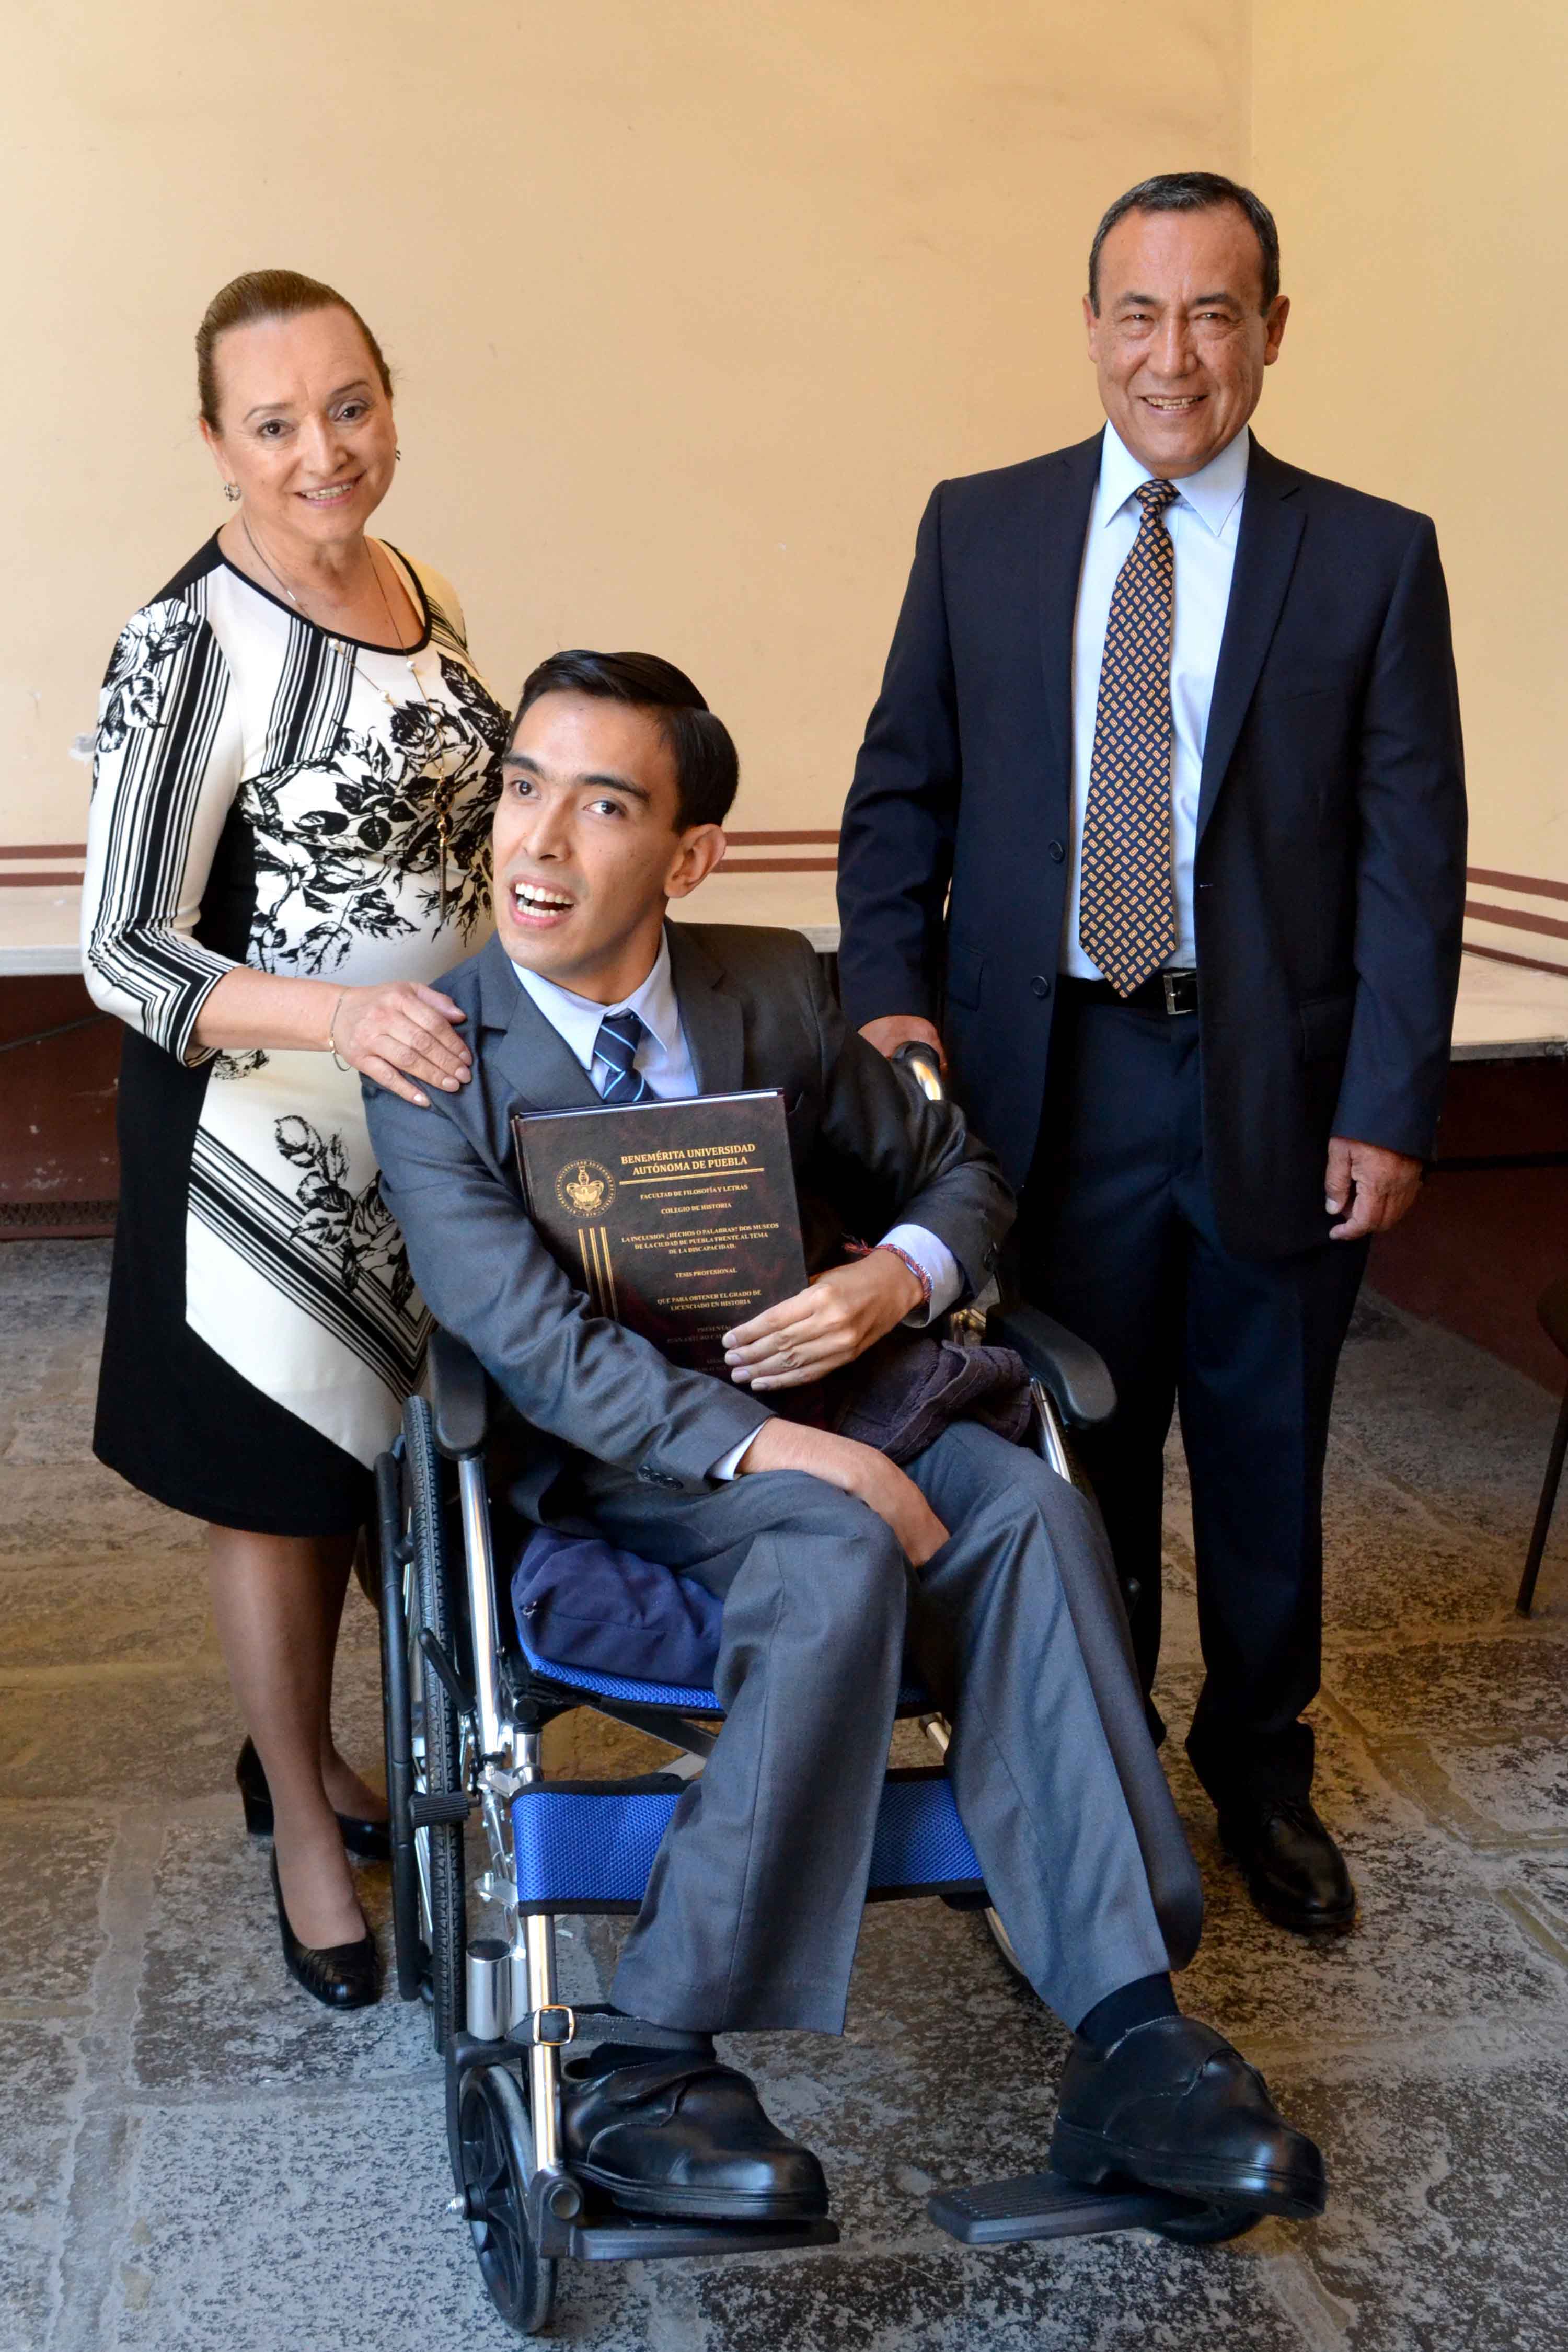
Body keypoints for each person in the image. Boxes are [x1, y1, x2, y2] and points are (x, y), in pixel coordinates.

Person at [366, 647, 1325, 2226]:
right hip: (629, 1466)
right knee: (833, 1534)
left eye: (600, 805)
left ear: (687, 857)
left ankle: (1134, 2036)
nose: (535, 842)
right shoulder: (438, 1053)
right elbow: (530, 1348)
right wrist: (797, 1457)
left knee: (1023, 1503)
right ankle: (645, 2054)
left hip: (847, 1389)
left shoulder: (774, 987)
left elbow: (962, 1178)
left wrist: (892, 1280)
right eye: (523, 786)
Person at [836, 172, 1468, 1936]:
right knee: (1064, 1445)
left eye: (1214, 313)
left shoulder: (1370, 555)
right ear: (1091, 323)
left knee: (1267, 1445)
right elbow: (903, 797)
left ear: (1274, 329)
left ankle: (1259, 1764)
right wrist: (892, 999)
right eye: (1138, 310)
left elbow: (1414, 857)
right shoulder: (983, 529)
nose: (1172, 353)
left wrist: (1388, 1103)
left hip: (1276, 1084)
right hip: (1054, 1082)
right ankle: (1063, 1757)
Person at [82, 270, 509, 2009]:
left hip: (426, 1123)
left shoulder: (429, 588)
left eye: (348, 406)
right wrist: (338, 1018)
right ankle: (311, 1834)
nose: (322, 450)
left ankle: (303, 1754)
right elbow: (125, 941)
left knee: (361, 1469)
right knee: (275, 1486)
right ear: (215, 446)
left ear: (390, 404)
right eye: (274, 424)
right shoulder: (184, 641)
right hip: (259, 1140)